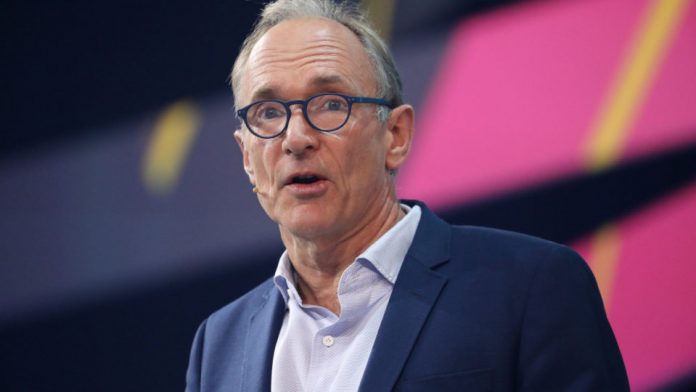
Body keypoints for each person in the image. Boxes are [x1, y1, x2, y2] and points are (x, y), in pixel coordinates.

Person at [186, 0, 629, 390]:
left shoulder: (531, 288)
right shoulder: (220, 342)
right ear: (247, 156)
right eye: (267, 112)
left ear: (395, 135)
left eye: (331, 104)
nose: (296, 137)